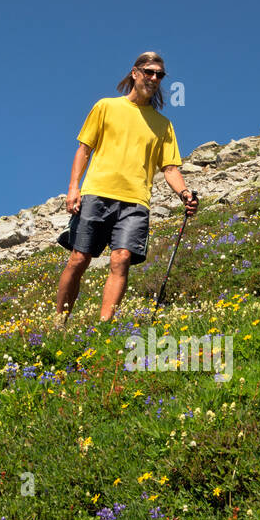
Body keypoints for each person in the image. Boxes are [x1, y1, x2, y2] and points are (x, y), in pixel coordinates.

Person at [54, 51, 199, 328]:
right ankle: (59, 323)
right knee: (79, 258)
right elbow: (84, 149)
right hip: (97, 192)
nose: (154, 78)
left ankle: (104, 328)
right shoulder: (106, 106)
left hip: (135, 202)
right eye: (149, 72)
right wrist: (73, 188)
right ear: (135, 73)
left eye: (160, 75)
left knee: (120, 260)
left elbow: (170, 169)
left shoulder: (163, 125)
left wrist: (184, 194)